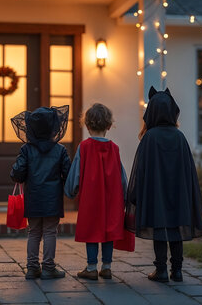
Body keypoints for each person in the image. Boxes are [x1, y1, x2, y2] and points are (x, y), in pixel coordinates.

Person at [126, 86, 202, 283]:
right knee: (175, 230)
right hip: (178, 194)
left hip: (156, 195)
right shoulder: (180, 138)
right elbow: (189, 172)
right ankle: (177, 270)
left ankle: (161, 270)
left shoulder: (149, 138)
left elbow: (140, 171)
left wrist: (135, 196)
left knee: (159, 229)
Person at [65, 103, 133, 281]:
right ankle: (107, 267)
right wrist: (126, 197)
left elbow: (76, 171)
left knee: (91, 230)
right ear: (109, 126)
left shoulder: (84, 147)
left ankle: (91, 267)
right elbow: (121, 175)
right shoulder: (114, 148)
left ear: (86, 125)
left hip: (91, 198)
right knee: (109, 230)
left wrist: (71, 190)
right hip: (113, 198)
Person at [10, 105, 71, 280]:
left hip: (33, 197)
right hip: (52, 198)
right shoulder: (60, 150)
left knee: (34, 231)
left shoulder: (26, 150)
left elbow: (17, 173)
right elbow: (67, 173)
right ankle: (48, 267)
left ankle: (32, 267)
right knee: (51, 231)